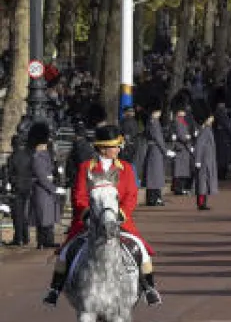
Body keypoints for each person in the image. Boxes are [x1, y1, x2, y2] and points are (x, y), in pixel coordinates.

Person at [43, 124, 161, 306]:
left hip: (120, 221)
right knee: (65, 253)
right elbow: (79, 196)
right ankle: (55, 289)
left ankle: (149, 288)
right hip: (89, 222)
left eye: (118, 146)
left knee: (142, 250)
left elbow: (131, 196)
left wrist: (119, 214)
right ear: (103, 148)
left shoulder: (126, 168)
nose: (118, 149)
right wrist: (89, 215)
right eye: (114, 146)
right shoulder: (86, 167)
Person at [28, 123, 58, 248]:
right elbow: (41, 176)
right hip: (42, 190)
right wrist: (53, 188)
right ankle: (43, 241)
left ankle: (46, 241)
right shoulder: (37, 157)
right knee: (43, 217)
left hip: (46, 190)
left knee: (47, 217)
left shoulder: (45, 155)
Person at [192, 101, 219, 211]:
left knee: (204, 181)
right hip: (204, 160)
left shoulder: (205, 129)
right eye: (210, 117)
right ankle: (201, 203)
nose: (212, 119)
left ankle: (203, 202)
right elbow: (199, 145)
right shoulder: (205, 130)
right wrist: (198, 160)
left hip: (206, 159)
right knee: (202, 182)